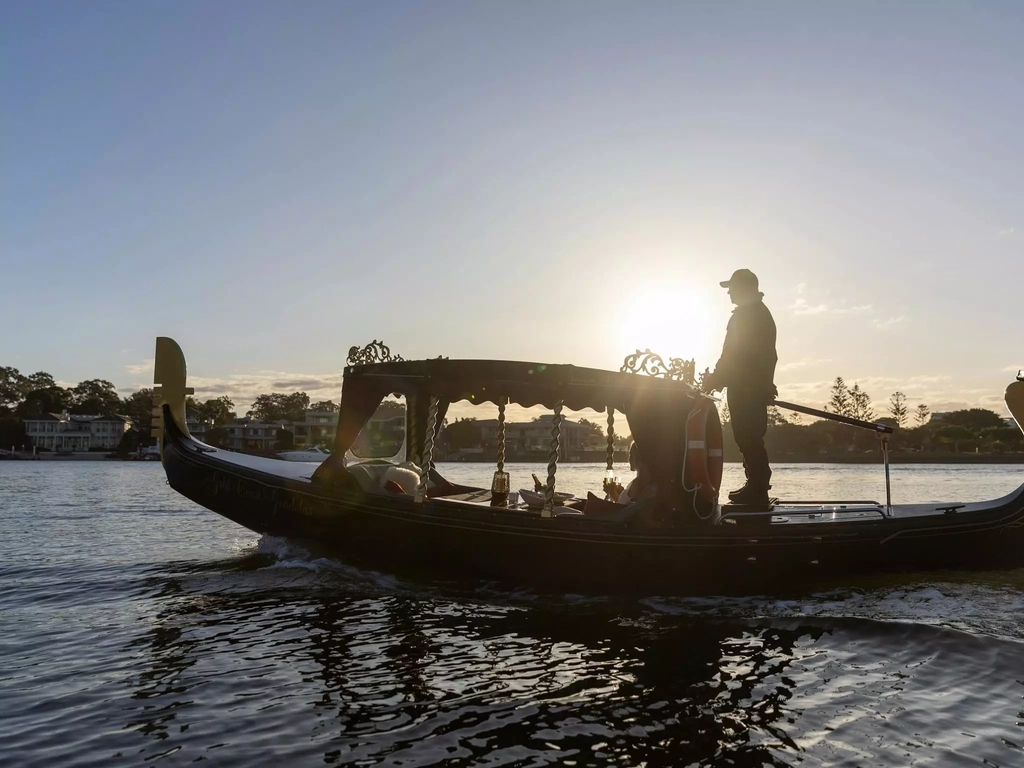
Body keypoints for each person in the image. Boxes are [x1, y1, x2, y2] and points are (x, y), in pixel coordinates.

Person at [701, 268, 778, 506]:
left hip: (746, 390)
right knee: (748, 437)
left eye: (732, 288)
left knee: (748, 436)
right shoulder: (757, 313)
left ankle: (757, 488)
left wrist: (715, 380)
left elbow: (734, 355)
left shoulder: (748, 315)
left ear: (744, 288)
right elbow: (765, 357)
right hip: (750, 387)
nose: (729, 293)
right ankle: (756, 485)